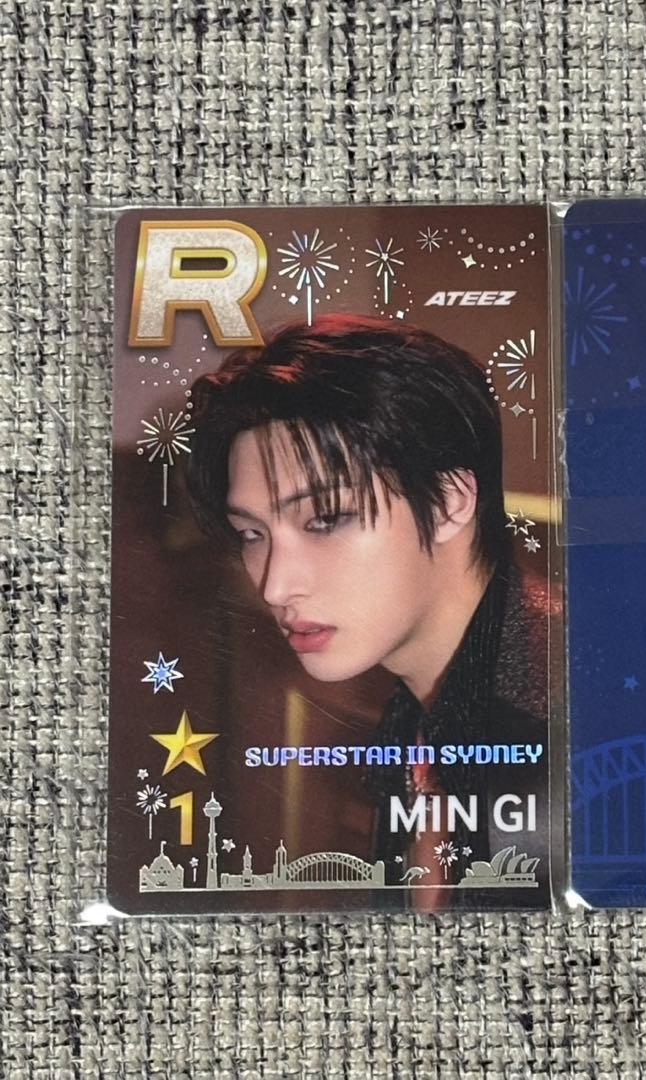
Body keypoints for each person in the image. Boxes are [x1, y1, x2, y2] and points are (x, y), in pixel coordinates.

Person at [185, 314, 550, 909]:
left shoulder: (570, 720)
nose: (275, 586)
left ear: (449, 502)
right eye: (252, 534)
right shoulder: (415, 730)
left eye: (325, 520)